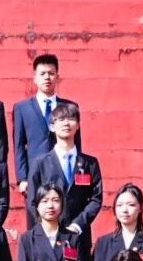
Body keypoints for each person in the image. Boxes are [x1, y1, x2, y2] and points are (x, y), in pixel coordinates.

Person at [29, 99, 100, 235]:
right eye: (61, 119)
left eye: (71, 119)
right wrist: (44, 229)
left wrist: (78, 224)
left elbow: (96, 198)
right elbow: (32, 201)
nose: (66, 123)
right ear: (52, 126)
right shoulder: (40, 163)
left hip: (79, 233)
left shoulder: (90, 163)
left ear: (77, 125)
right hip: (49, 233)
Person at [13, 53, 81, 196]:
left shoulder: (69, 107)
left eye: (51, 73)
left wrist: (78, 171)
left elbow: (76, 142)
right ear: (35, 78)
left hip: (63, 171)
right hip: (35, 174)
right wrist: (22, 178)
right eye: (42, 73)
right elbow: (19, 146)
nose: (47, 77)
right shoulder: (22, 108)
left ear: (57, 77)